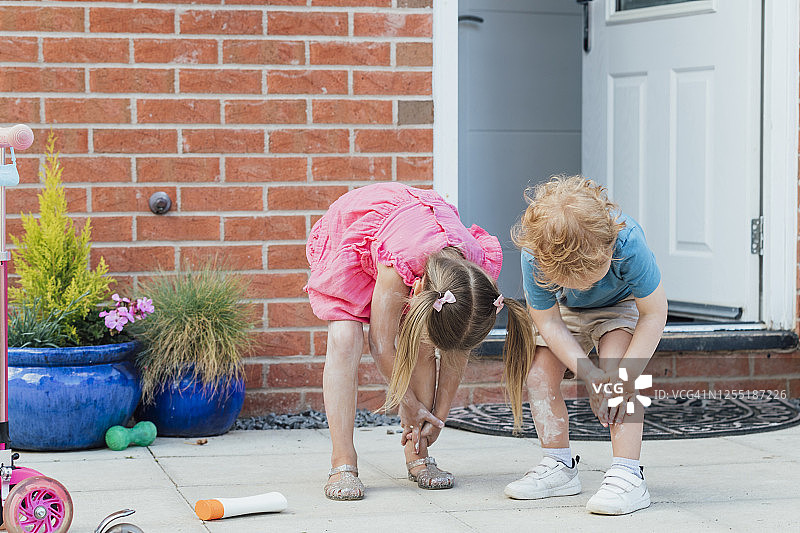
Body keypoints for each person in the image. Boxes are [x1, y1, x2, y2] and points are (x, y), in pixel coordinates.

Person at [305, 182, 534, 501]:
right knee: (345, 338)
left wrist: (438, 418)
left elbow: (456, 353)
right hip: (357, 232)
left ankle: (418, 452)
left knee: (424, 345)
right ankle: (342, 461)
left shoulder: (472, 280)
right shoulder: (398, 261)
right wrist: (409, 404)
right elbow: (381, 344)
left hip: (417, 238)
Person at [506, 175, 667, 515]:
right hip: (564, 310)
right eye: (577, 280)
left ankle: (628, 474)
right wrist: (587, 372)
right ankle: (559, 466)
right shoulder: (535, 255)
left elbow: (654, 314)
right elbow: (548, 321)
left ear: (608, 247)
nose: (588, 285)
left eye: (594, 276)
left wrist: (618, 376)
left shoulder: (628, 241)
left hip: (619, 306)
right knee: (538, 377)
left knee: (618, 373)